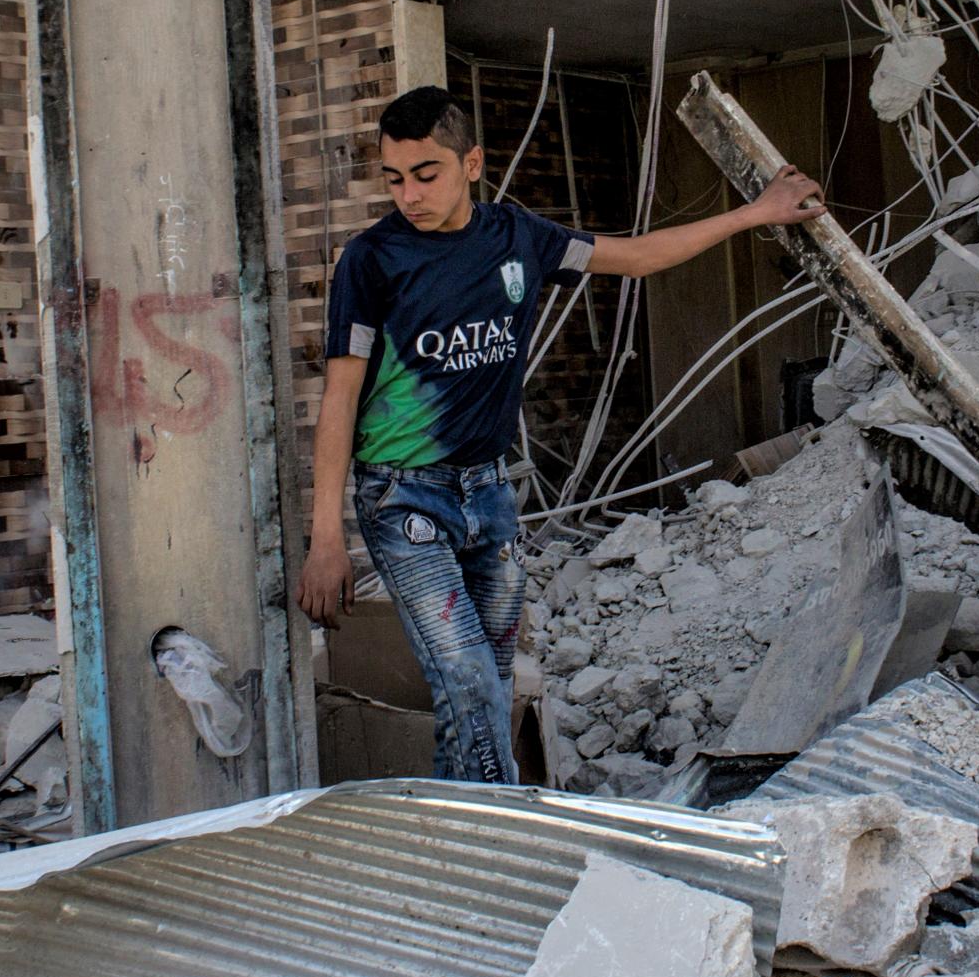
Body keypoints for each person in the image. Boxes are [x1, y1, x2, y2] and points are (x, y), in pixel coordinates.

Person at [295, 84, 826, 782]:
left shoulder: (519, 236)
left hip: (488, 494)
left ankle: (456, 838)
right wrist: (326, 538)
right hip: (403, 503)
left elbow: (637, 256)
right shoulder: (371, 260)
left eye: (427, 173)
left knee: (486, 685)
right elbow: (339, 396)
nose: (409, 195)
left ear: (472, 162)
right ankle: (511, 836)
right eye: (394, 178)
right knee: (471, 681)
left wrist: (758, 212)